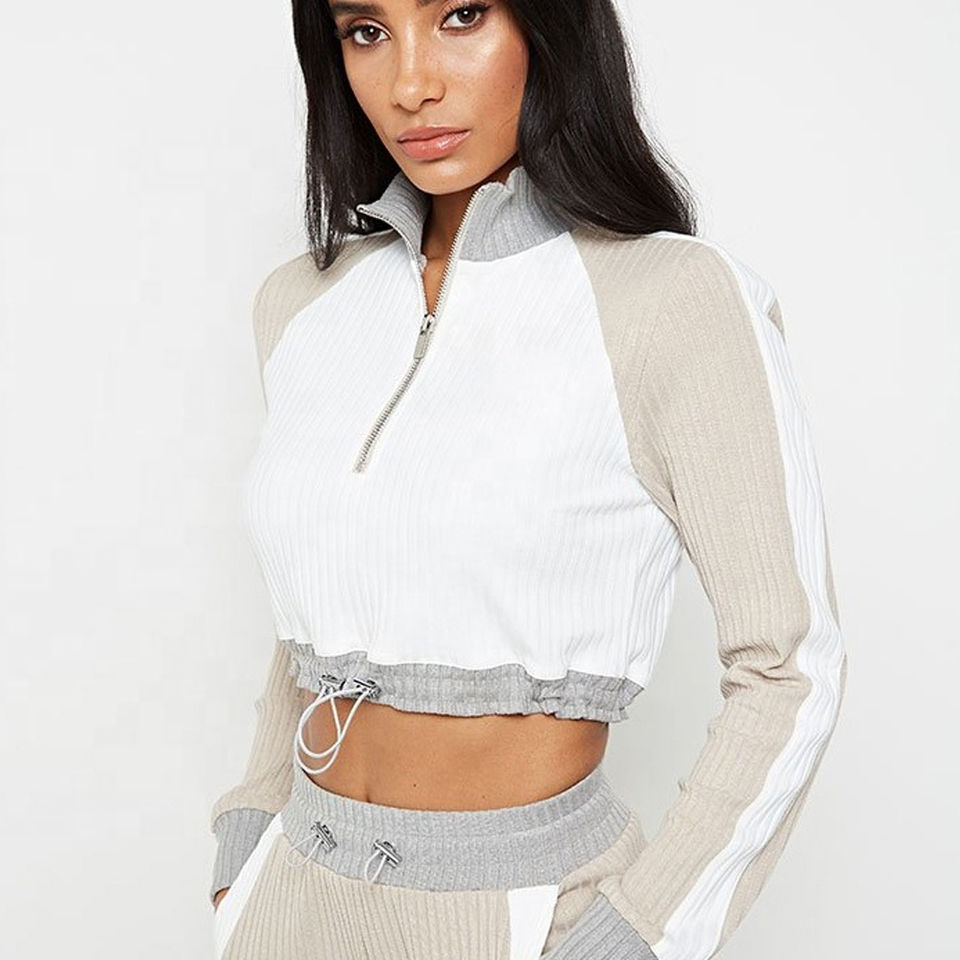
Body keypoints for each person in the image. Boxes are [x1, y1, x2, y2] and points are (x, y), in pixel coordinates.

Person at [207, 1, 849, 958]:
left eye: (460, 15)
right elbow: (314, 614)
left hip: (522, 914)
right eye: (365, 31)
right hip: (289, 900)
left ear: (551, 29)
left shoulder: (672, 299)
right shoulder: (302, 303)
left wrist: (633, 937)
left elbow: (789, 667)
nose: (411, 83)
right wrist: (247, 841)